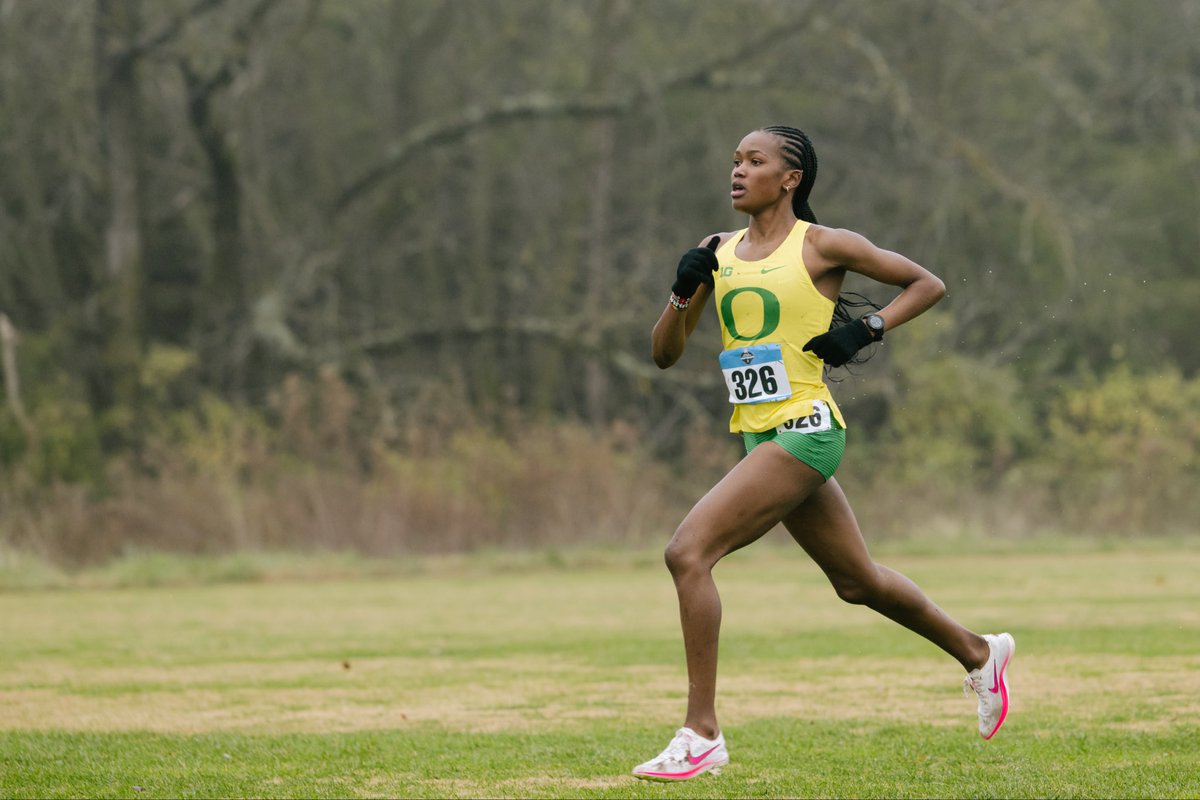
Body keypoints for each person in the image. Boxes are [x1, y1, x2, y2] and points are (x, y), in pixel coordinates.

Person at [631, 126, 1014, 782]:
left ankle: (702, 733)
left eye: (755, 161)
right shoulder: (714, 251)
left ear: (790, 179)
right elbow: (664, 355)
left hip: (806, 430)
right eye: (735, 161)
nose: (738, 171)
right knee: (856, 581)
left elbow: (928, 283)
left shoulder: (823, 245)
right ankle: (980, 652)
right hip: (759, 434)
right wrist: (680, 290)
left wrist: (866, 328)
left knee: (687, 553)